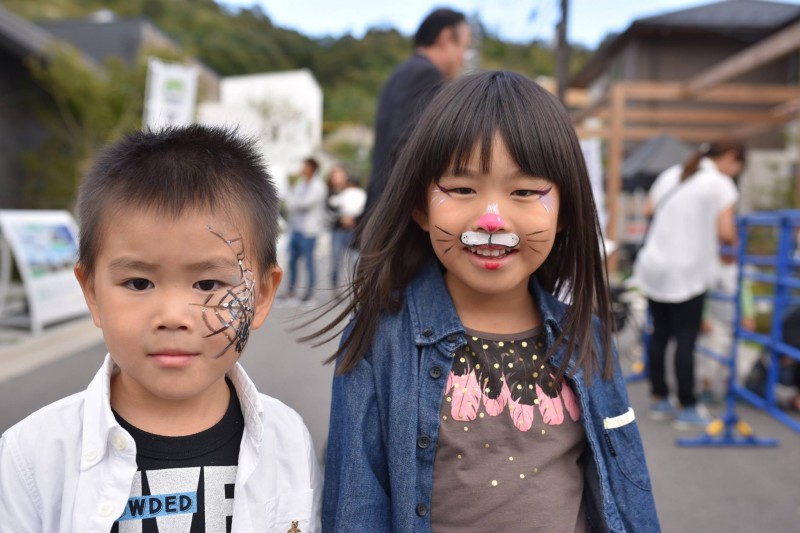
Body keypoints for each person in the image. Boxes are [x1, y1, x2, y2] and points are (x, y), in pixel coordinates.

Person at [314, 72, 659, 532]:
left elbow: (627, 496)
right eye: (462, 190)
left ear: (564, 212)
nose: (492, 220)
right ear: (420, 208)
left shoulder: (588, 337)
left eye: (524, 192)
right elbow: (356, 504)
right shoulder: (380, 339)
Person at [0, 126, 321, 531]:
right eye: (139, 283)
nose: (172, 315)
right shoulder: (33, 456)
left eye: (208, 284)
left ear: (261, 295)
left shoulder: (288, 439)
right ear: (92, 292)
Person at [633, 139, 744, 430]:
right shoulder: (720, 184)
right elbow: (726, 232)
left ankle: (659, 398)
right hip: (688, 269)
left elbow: (648, 210)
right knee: (685, 338)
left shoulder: (671, 174)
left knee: (660, 334)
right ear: (731, 156)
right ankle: (687, 405)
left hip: (656, 265)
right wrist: (733, 247)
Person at [363, 7, 472, 221]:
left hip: (382, 209)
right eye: (463, 47)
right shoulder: (425, 75)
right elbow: (408, 146)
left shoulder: (403, 73)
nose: (463, 59)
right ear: (446, 38)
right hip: (399, 217)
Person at [284, 156, 327, 302]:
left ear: (312, 168)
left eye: (305, 166)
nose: (302, 169)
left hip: (309, 231)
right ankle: (291, 290)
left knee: (309, 262)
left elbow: (305, 203)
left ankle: (310, 292)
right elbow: (289, 203)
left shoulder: (319, 186)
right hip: (296, 229)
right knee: (292, 261)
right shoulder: (300, 184)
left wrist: (294, 201)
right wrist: (294, 201)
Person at [326, 166, 366, 287]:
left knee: (355, 258)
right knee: (336, 259)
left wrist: (353, 220)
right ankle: (335, 285)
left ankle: (357, 283)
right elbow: (328, 210)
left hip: (354, 229)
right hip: (338, 229)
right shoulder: (330, 191)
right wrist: (341, 219)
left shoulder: (351, 193)